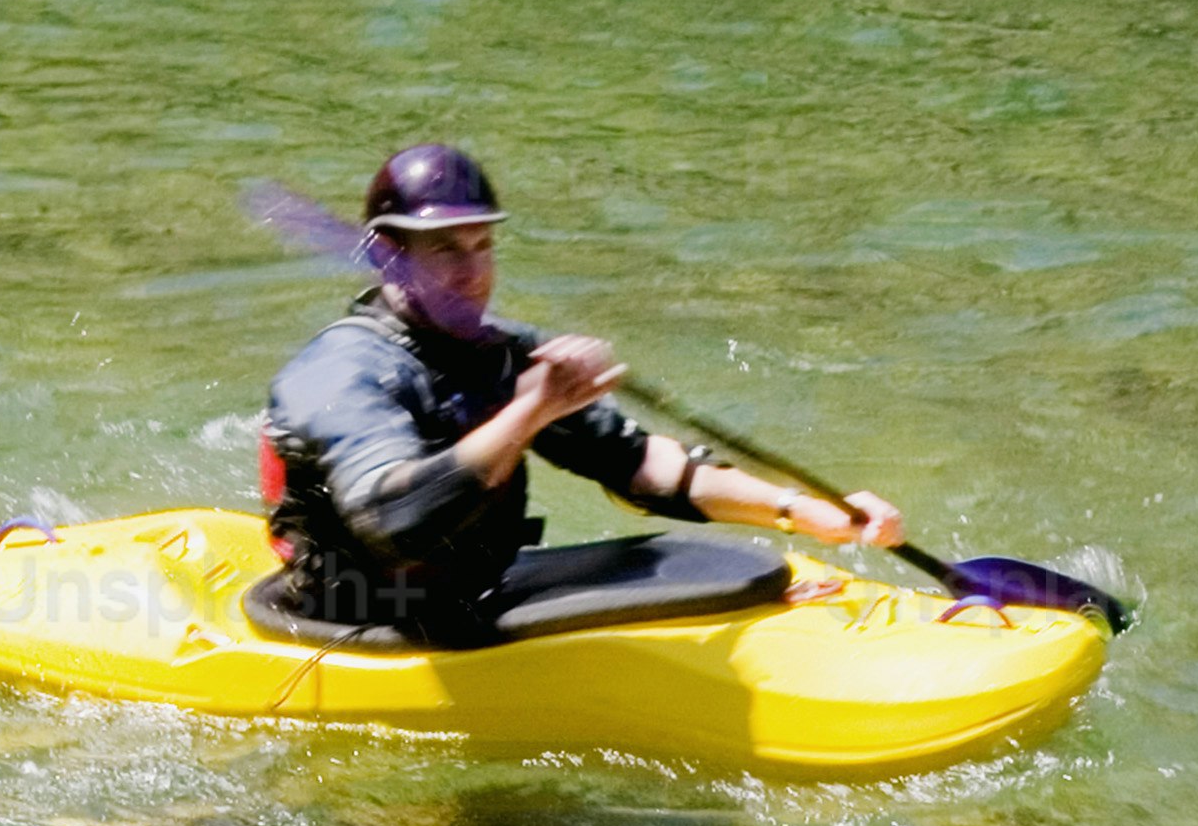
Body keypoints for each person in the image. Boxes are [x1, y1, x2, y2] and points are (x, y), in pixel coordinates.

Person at [260, 140, 904, 644]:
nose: (474, 272)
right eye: (445, 251)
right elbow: (394, 522)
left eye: (484, 246)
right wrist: (533, 409)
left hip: (466, 594)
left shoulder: (500, 353)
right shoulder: (341, 371)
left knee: (700, 562)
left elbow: (638, 465)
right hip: (361, 612)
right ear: (390, 256)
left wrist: (805, 510)